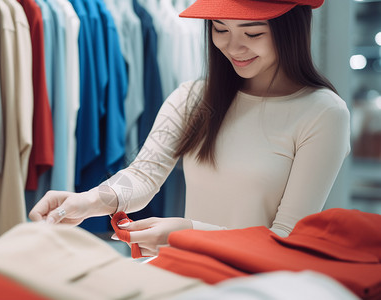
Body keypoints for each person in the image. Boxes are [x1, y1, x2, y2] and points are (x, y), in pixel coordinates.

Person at [29, 0, 350, 257]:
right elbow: (143, 175)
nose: (233, 47)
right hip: (184, 270)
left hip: (253, 285)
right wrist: (88, 201)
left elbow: (285, 239)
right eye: (220, 29)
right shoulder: (194, 96)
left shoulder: (323, 112)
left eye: (252, 34)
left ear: (292, 29)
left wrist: (188, 233)